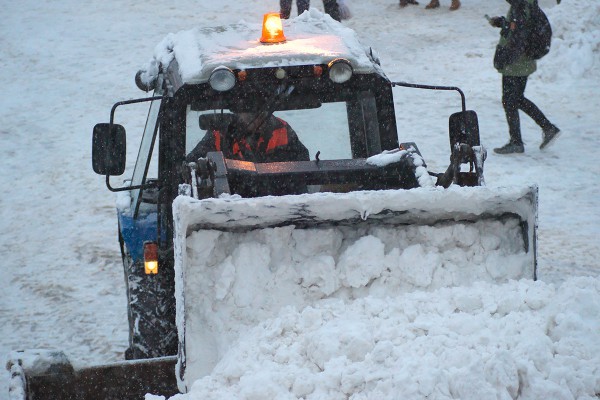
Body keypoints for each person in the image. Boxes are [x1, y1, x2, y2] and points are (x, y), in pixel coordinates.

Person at [489, 0, 560, 154]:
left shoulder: (520, 6)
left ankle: (517, 141)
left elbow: (518, 34)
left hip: (516, 63)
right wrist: (503, 22)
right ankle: (547, 128)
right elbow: (520, 27)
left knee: (510, 100)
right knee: (517, 98)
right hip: (524, 61)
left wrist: (504, 58)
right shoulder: (527, 4)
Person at [187, 111, 310, 163]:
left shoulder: (281, 129)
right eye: (248, 113)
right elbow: (192, 165)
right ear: (237, 112)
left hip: (280, 201)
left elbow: (303, 165)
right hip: (231, 203)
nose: (253, 119)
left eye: (258, 113)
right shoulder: (219, 133)